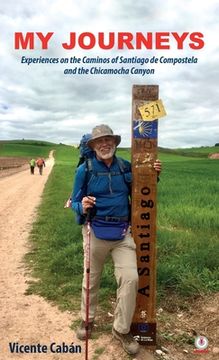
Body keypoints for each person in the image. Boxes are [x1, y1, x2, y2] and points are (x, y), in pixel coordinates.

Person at [72, 124, 162, 355]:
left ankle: (121, 329)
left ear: (114, 142)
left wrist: (154, 174)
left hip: (123, 233)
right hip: (95, 231)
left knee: (131, 278)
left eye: (108, 140)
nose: (104, 144)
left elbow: (142, 187)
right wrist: (80, 206)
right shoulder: (85, 170)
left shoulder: (124, 166)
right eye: (99, 141)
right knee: (91, 279)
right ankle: (87, 319)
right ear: (93, 146)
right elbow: (74, 200)